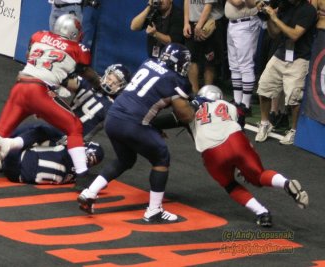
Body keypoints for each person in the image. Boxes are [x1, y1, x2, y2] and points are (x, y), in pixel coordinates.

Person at [0, 14, 98, 193]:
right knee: (75, 127)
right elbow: (87, 73)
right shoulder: (78, 48)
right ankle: (82, 175)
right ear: (74, 33)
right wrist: (100, 85)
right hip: (39, 91)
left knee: (0, 133)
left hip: (20, 86)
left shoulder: (38, 35)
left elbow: (31, 56)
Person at [153, 85, 309, 227]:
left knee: (229, 184)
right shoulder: (230, 106)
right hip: (236, 140)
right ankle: (285, 183)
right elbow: (238, 122)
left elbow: (165, 120)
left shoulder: (191, 109)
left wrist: (152, 124)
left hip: (212, 151)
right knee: (259, 175)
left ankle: (262, 213)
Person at [77, 43, 195, 223]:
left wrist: (153, 127)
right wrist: (194, 105)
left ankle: (89, 192)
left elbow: (148, 100)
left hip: (113, 117)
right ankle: (154, 210)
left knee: (125, 159)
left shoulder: (148, 62)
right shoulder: (175, 79)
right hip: (133, 123)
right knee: (161, 157)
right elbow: (185, 115)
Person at [251, 0, 317, 144]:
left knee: (294, 97)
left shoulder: (308, 10)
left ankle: (294, 130)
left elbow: (294, 35)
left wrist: (274, 18)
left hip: (300, 57)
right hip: (282, 53)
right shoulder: (284, 6)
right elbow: (275, 34)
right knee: (264, 87)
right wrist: (268, 19)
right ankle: (265, 123)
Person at [0, 141, 104, 186]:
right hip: (19, 176)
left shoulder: (66, 151)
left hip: (19, 160)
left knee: (11, 143)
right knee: (2, 165)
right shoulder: (79, 176)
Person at [225, 0, 262, 115]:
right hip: (233, 23)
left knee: (245, 65)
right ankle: (237, 101)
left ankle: (246, 105)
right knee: (234, 66)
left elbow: (237, 2)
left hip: (246, 24)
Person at [183, 0, 225, 93]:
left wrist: (199, 25)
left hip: (210, 23)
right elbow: (187, 1)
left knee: (209, 60)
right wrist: (186, 22)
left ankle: (207, 93)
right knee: (191, 59)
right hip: (192, 22)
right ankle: (195, 93)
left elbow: (209, 5)